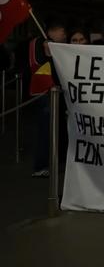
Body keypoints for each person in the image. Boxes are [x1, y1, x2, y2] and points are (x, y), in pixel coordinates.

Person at [30, 23, 67, 178]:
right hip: (47, 91)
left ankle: (52, 161)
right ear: (53, 31)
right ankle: (41, 165)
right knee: (47, 129)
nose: (64, 35)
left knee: (53, 128)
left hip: (48, 91)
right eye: (62, 31)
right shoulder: (42, 43)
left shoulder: (37, 42)